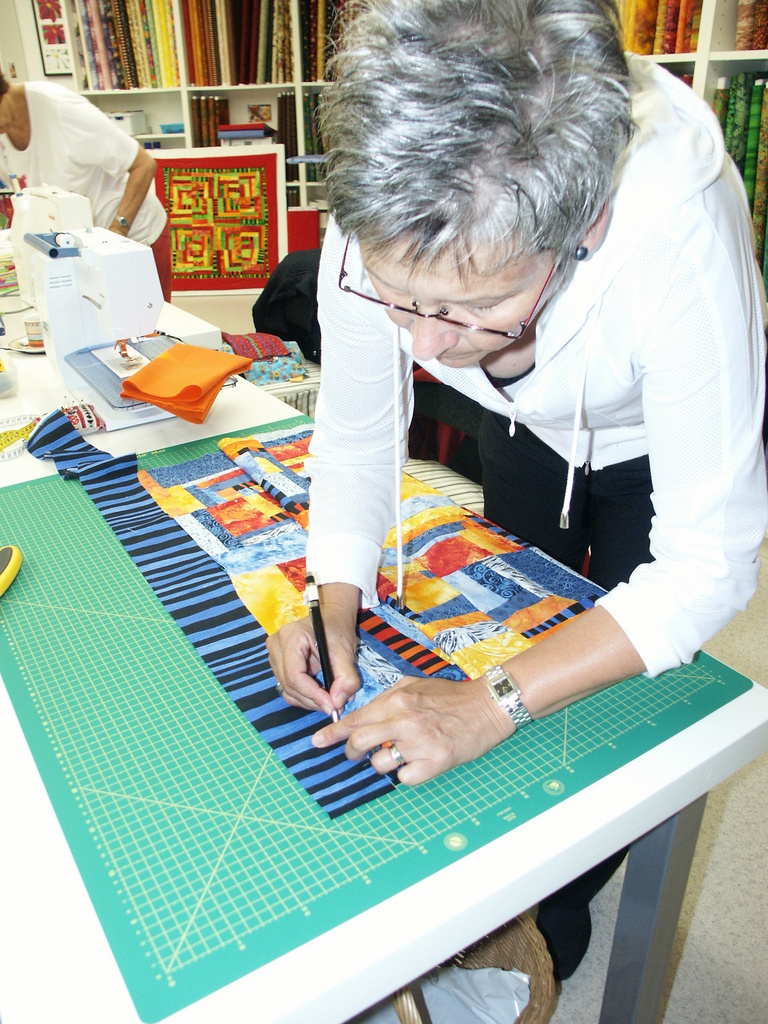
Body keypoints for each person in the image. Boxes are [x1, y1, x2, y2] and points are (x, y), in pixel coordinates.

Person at [266, 0, 768, 980]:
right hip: (524, 423)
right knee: (508, 630)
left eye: (472, 305)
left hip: (645, 442)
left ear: (585, 227)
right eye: (399, 297)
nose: (425, 343)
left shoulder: (677, 235)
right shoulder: (387, 199)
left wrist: (487, 706)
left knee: (616, 685)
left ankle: (552, 909)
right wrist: (334, 600)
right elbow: (359, 435)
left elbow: (708, 569)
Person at [0, 71, 171, 302]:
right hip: (81, 250)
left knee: (146, 322)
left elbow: (144, 165)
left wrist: (115, 235)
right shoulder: (4, 131)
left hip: (133, 237)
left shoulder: (61, 109)